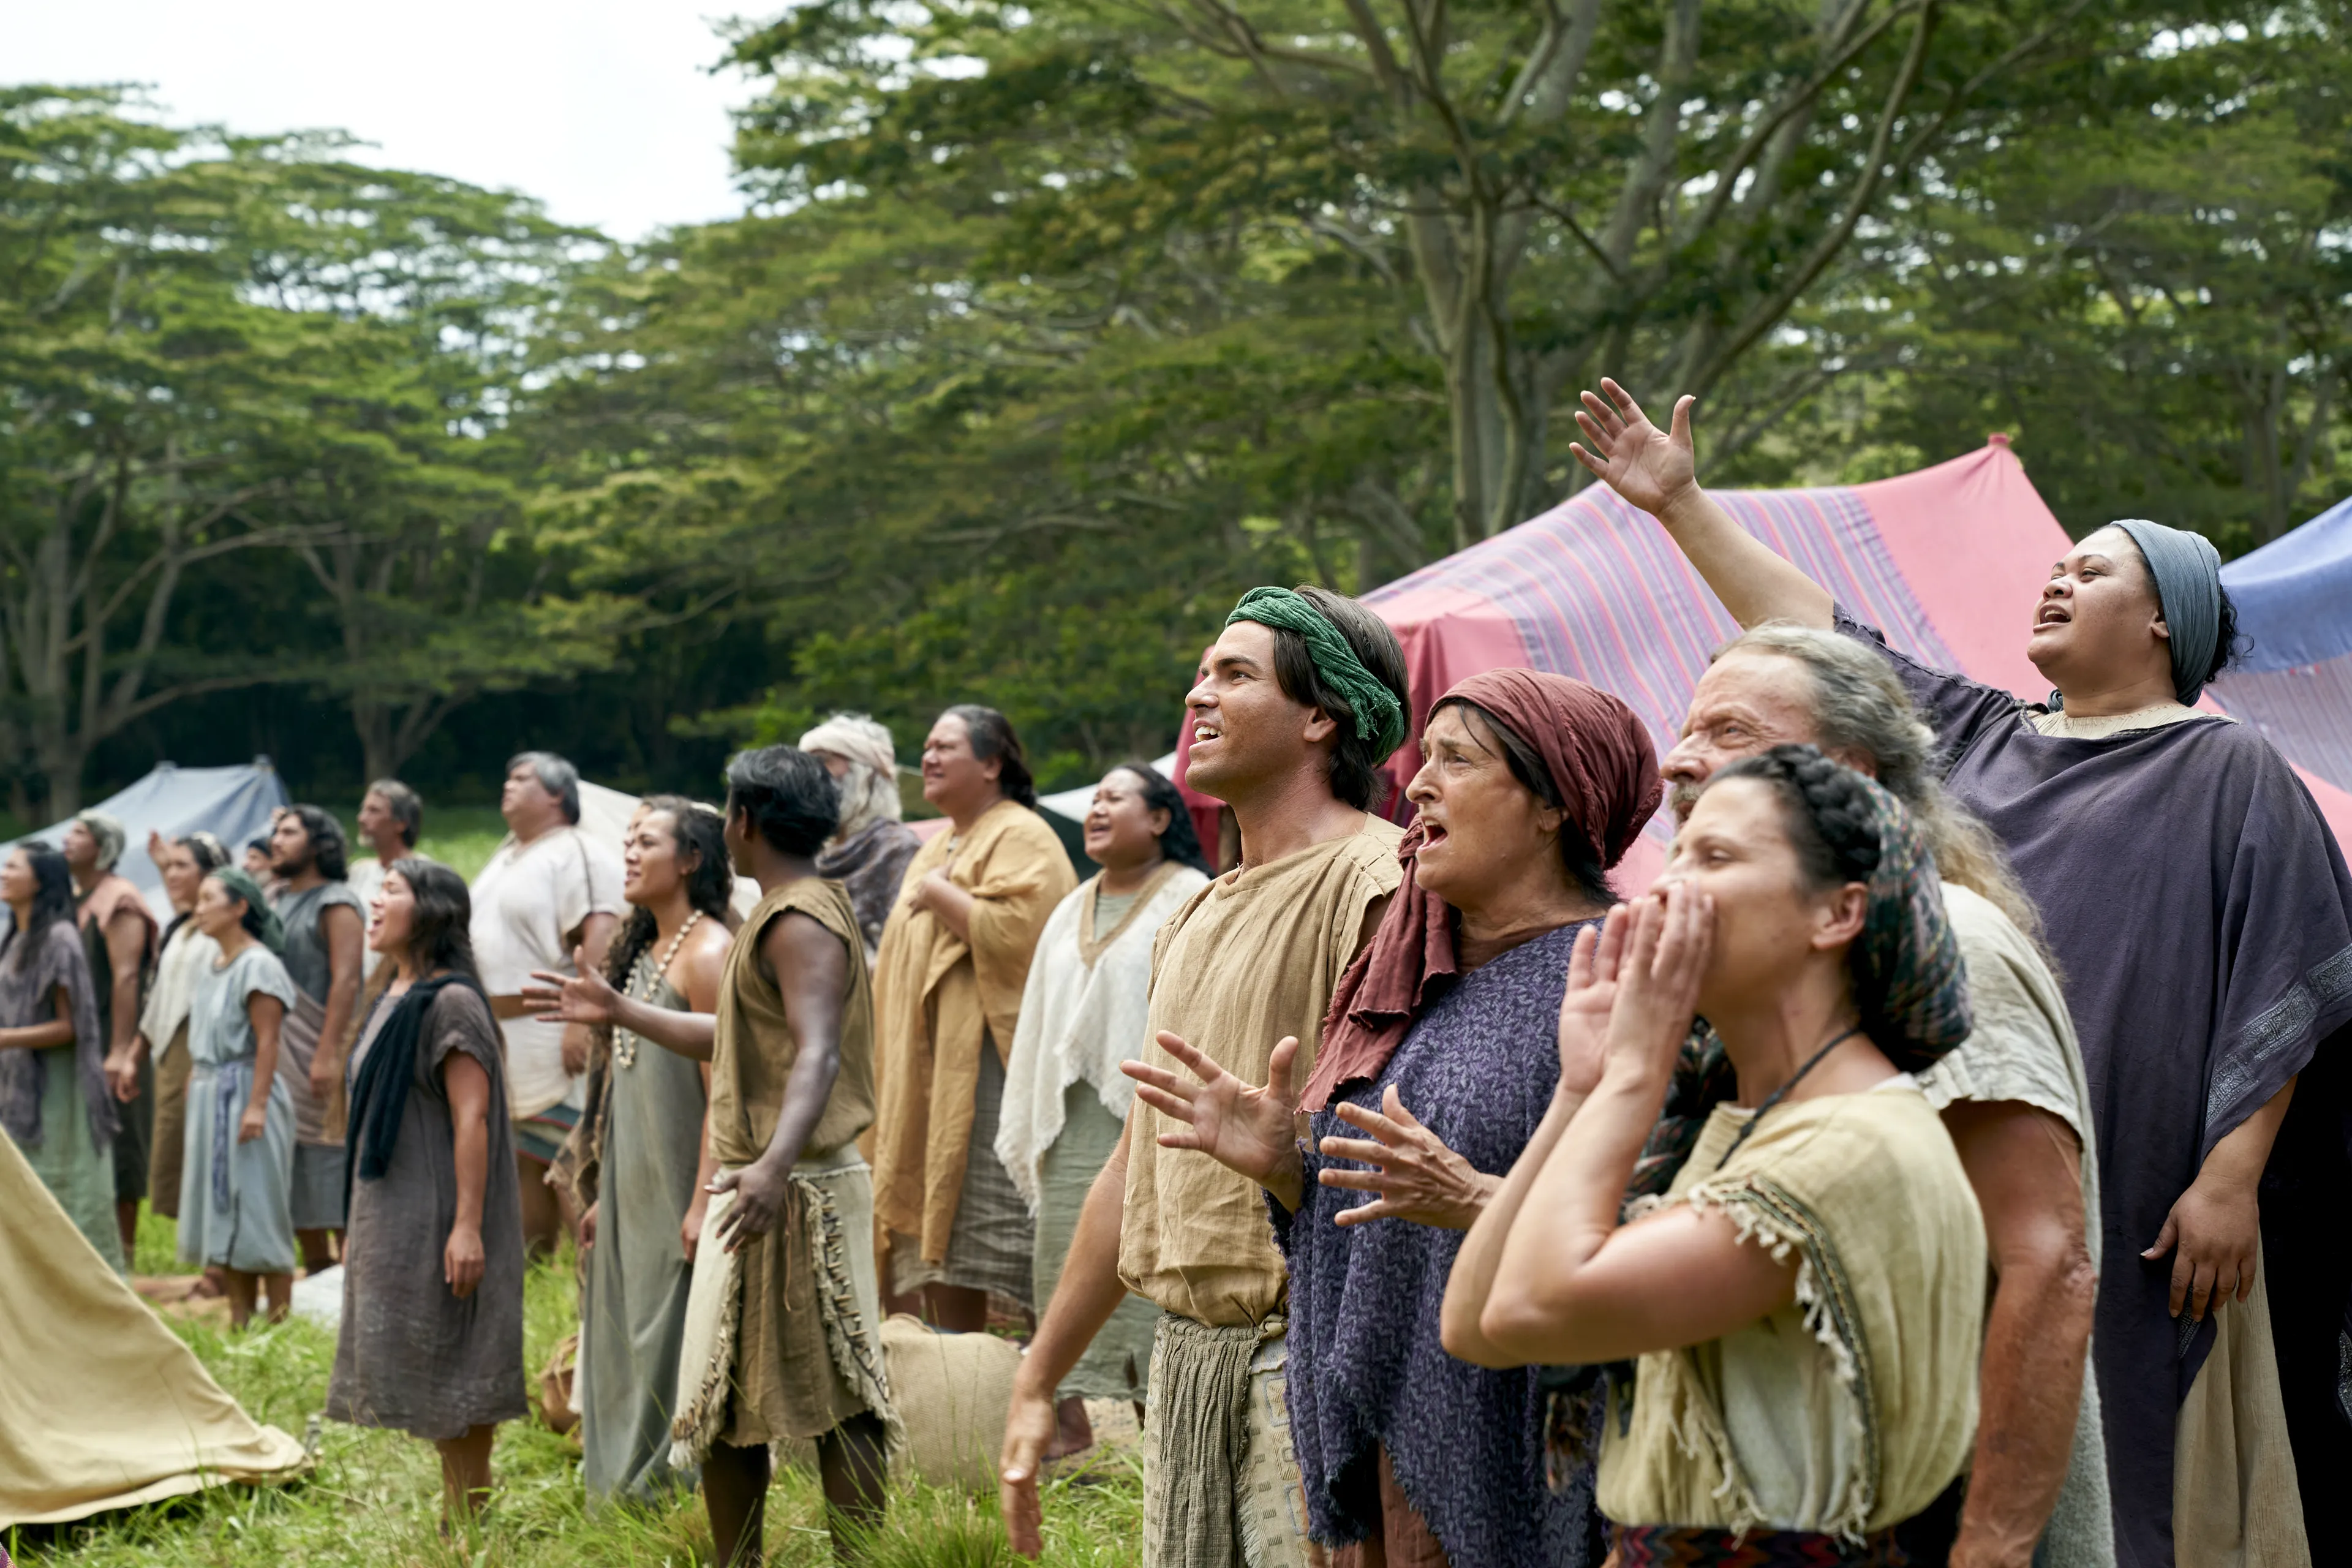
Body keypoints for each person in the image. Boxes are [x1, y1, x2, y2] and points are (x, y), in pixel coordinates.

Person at [1570, 378, 2351, 1564]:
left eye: (2094, 571)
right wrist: (1681, 507)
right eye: (2061, 565)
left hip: (2135, 1170)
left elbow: (2288, 970)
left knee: (2103, 1397)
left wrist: (2232, 1176)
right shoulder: (1985, 735)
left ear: (2165, 623)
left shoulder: (2226, 766)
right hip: (1936, 1133)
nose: (2059, 578)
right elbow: (1824, 645)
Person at [1125, 672, 1662, 1567]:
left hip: (1539, 1464)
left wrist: (1477, 1199)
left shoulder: (1625, 980)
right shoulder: (1414, 981)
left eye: (1458, 760)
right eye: (1425, 759)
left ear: (1553, 806)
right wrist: (1287, 1170)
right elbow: (1386, 1216)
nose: (1416, 785)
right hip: (1397, 1460)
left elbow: (1675, 1231)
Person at [1642, 622, 2113, 1565]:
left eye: (1729, 732)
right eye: (1686, 730)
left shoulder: (1949, 946)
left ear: (1849, 770)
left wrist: (1990, 1549)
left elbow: (2049, 1263)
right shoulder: (1772, 984)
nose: (1679, 761)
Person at [1449, 748, 1986, 1558]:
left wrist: (1633, 1077)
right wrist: (1582, 1091)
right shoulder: (1747, 1120)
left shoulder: (1852, 1142)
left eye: (1717, 857)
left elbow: (1532, 1308)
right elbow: (1477, 1326)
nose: (1667, 888)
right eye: (1677, 854)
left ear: (1836, 915)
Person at [1001, 584, 1412, 1567]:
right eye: (1199, 674)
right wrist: (1039, 1379)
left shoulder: (1382, 885)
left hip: (1303, 1364)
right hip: (1188, 1363)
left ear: (1323, 715)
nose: (1198, 697)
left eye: (1234, 674)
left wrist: (1290, 1163)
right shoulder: (1196, 912)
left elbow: (1404, 1174)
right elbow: (1136, 1165)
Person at [527, 745, 896, 1566]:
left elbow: (817, 1054)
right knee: (722, 1401)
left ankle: (861, 1559)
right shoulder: (781, 911)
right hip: (765, 1184)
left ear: (744, 822)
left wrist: (770, 1168)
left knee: (839, 1400)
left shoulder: (800, 919)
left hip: (794, 1189)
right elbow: (736, 1036)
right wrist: (623, 1009)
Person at [995, 763, 1212, 1457]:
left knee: (1150, 1289)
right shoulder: (1070, 906)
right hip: (1068, 1127)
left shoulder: (1191, 897)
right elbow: (1039, 1025)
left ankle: (1166, 1447)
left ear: (1158, 818)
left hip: (1153, 1127)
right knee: (1066, 1263)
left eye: (1113, 798)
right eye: (1092, 800)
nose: (1096, 809)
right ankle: (1066, 1441)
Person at [548, 798, 735, 1505]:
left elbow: (726, 1091)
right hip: (633, 1179)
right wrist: (602, 1194)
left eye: (646, 841)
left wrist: (701, 1202)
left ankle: (671, 1494)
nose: (629, 852)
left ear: (691, 859)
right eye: (626, 840)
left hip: (683, 1183)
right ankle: (621, 1490)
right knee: (624, 1328)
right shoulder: (640, 950)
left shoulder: (711, 950)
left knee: (673, 1336)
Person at [328, 859, 526, 1526]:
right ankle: (458, 1514)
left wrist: (467, 1226)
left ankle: (467, 1520)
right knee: (430, 1360)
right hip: (394, 1205)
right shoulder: (392, 991)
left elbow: (474, 1116)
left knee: (460, 1360)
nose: (374, 904)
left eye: (391, 892)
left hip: (444, 1209)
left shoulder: (452, 1001)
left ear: (433, 910)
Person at [872, 705, 1074, 1329]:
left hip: (989, 1062)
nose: (928, 757)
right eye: (926, 746)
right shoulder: (933, 845)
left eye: (945, 746)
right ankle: (960, 1380)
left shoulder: (1022, 832)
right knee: (944, 1241)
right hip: (930, 1073)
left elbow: (1026, 932)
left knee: (1002, 1228)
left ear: (991, 763)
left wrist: (941, 893)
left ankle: (1061, 1408)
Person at [469, 750, 623, 1256]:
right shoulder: (509, 854)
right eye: (507, 777)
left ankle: (591, 1285)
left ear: (558, 794)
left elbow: (601, 927)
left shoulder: (577, 851)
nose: (508, 786)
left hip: (553, 1022)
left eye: (522, 779)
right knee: (524, 1158)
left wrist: (581, 1021)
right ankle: (531, 1276)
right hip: (505, 1028)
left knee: (569, 1157)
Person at [178, 867, 300, 1328]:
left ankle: (280, 1322)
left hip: (247, 1093)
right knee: (222, 1209)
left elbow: (268, 1041)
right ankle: (238, 1318)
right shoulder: (212, 964)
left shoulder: (259, 964)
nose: (200, 907)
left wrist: (256, 1104)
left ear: (240, 908)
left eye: (210, 898)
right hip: (212, 1097)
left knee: (259, 1207)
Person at [0, 841, 119, 1270]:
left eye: (14, 867)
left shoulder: (59, 938)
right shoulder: (16, 938)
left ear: (40, 880)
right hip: (17, 1088)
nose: (4, 873)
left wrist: (6, 1039)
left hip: (58, 1092)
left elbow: (71, 1028)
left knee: (62, 1196)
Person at [269, 804, 366, 1270]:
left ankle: (352, 1274)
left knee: (329, 1153)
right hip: (280, 1054)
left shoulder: (337, 902)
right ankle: (315, 1270)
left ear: (319, 844)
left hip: (318, 1049)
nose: (276, 840)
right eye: (276, 831)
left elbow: (346, 980)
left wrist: (328, 1054)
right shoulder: (275, 901)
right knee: (294, 1160)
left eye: (289, 832)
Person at [66, 810, 158, 1263]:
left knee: (120, 1149)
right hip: (82, 1044)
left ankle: (121, 1260)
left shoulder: (119, 899)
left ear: (103, 847)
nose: (68, 839)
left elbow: (126, 978)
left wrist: (121, 1051)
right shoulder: (79, 897)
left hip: (113, 1044)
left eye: (80, 833)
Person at [138, 832, 228, 1230]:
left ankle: (218, 1269)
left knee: (207, 1150)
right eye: (168, 867)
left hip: (201, 1053)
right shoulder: (185, 927)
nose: (172, 875)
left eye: (182, 866)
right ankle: (211, 1261)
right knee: (181, 1150)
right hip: (174, 1055)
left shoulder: (218, 934)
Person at [801, 713, 922, 962]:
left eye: (824, 762)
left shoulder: (898, 849)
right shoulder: (814, 852)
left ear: (863, 773)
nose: (814, 776)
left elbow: (907, 950)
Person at [350, 780, 426, 984]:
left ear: (401, 823)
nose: (361, 818)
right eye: (363, 810)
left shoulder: (425, 875)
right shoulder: (359, 871)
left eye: (373, 811)